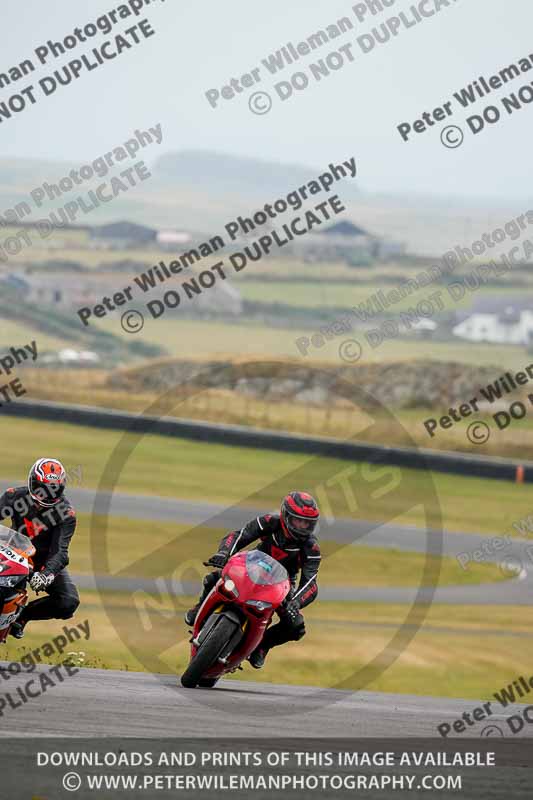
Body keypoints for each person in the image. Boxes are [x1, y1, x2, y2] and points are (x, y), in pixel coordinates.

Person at [185, 491, 321, 669]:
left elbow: (311, 583)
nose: (303, 527)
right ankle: (200, 606)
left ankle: (263, 647)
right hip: (250, 568)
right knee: (214, 578)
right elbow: (239, 535)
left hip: (281, 585)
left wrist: (295, 602)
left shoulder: (311, 547)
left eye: (307, 523)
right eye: (298, 521)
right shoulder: (269, 522)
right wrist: (223, 553)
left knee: (296, 626)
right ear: (286, 515)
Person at [0, 458, 79, 639]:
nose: (45, 495)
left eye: (53, 489)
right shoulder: (14, 496)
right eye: (40, 488)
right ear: (31, 482)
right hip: (11, 553)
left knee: (68, 602)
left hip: (43, 562)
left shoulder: (66, 514)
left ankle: (21, 617)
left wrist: (46, 574)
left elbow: (60, 552)